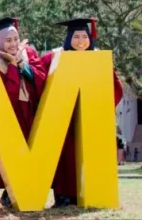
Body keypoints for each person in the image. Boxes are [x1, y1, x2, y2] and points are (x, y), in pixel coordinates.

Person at [34, 18, 124, 208]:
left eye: (85, 36)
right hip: (63, 119)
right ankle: (64, 196)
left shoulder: (99, 58)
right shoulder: (55, 57)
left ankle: (92, 193)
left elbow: (115, 87)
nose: (81, 41)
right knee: (64, 160)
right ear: (69, 38)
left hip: (89, 117)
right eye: (76, 36)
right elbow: (38, 77)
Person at [0, 17, 47, 208]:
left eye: (16, 39)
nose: (13, 44)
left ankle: (22, 191)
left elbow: (41, 78)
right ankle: (11, 191)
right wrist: (10, 66)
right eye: (8, 40)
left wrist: (21, 65)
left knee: (30, 149)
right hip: (6, 113)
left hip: (29, 111)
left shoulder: (28, 53)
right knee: (11, 152)